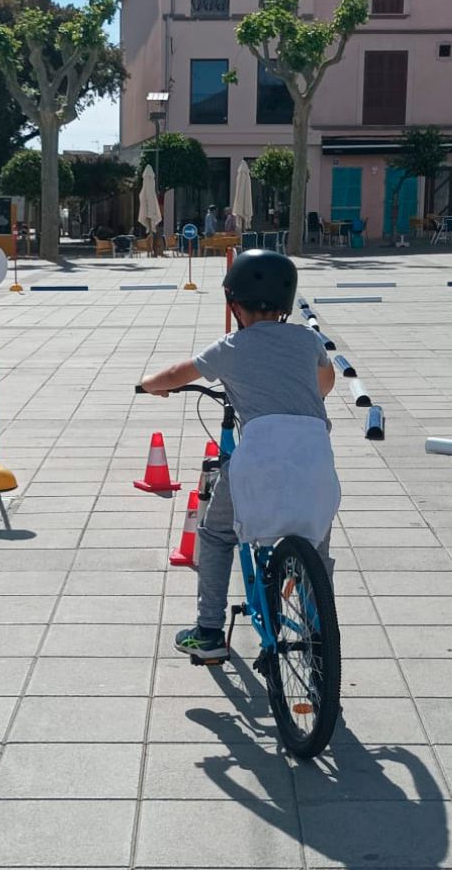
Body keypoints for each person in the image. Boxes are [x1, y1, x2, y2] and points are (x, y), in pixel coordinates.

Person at [139, 249, 338, 661]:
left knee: (216, 534)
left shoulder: (231, 346)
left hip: (260, 454)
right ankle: (320, 641)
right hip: (315, 454)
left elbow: (177, 375)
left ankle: (209, 632)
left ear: (235, 304)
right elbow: (327, 381)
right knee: (315, 539)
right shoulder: (307, 339)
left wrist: (149, 384)